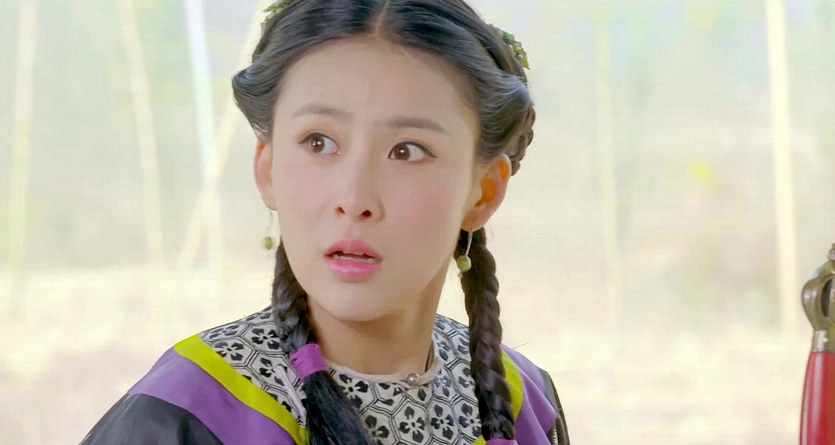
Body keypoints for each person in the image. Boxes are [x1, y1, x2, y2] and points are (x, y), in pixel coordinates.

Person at [81, 0, 569, 444]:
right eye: (319, 142)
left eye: (407, 151)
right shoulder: (188, 414)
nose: (354, 200)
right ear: (268, 169)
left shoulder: (522, 402)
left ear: (484, 191)